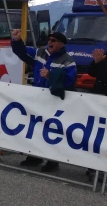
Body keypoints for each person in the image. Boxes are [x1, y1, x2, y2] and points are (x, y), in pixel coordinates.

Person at [11, 29, 77, 173]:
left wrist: (50, 76)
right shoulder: (40, 53)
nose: (49, 43)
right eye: (49, 40)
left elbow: (69, 82)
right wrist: (17, 41)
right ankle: (34, 156)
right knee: (35, 127)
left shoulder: (68, 61)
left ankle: (52, 161)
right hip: (38, 98)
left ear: (60, 44)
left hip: (54, 101)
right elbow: (23, 53)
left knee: (52, 131)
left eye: (53, 41)